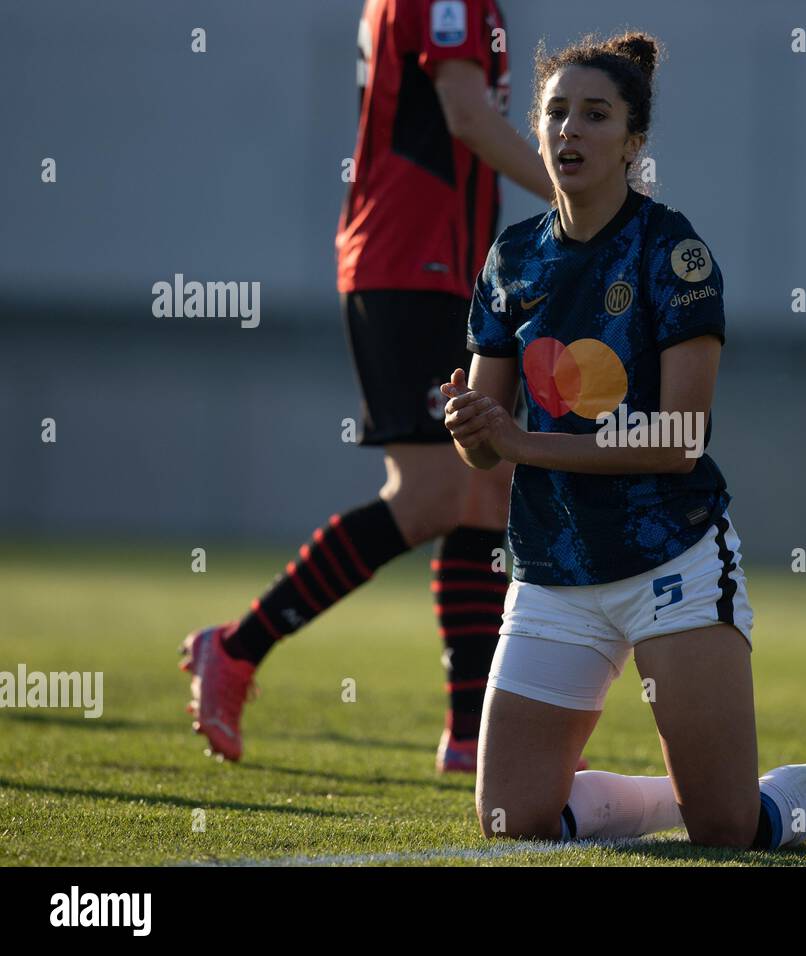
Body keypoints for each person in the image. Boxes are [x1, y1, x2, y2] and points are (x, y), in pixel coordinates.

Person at [440, 31, 806, 850]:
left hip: (671, 560)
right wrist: (470, 428)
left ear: (633, 142)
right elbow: (488, 437)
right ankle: (688, 789)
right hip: (552, 565)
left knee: (727, 829)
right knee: (513, 821)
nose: (569, 131)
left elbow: (680, 440)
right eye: (555, 114)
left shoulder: (674, 254)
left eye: (595, 115)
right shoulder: (512, 259)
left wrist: (519, 444)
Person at [180, 0, 554, 771]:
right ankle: (237, 646)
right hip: (410, 263)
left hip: (445, 268)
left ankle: (470, 733)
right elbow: (467, 116)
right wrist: (579, 203)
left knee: (484, 487)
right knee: (431, 494)